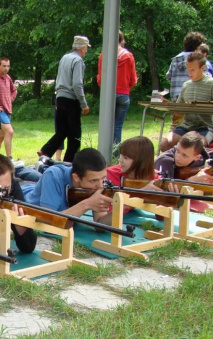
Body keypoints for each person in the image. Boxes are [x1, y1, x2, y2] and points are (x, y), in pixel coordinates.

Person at [158, 52, 213, 152]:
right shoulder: (186, 85)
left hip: (206, 127)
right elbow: (179, 109)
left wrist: (212, 104)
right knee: (164, 144)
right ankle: (173, 165)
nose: (189, 73)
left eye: (193, 70)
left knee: (192, 147)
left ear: (202, 68)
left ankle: (193, 166)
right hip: (186, 126)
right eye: (188, 69)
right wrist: (167, 104)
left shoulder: (212, 83)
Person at [38, 35, 91, 163]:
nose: (87, 51)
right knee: (75, 134)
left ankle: (46, 151)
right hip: (71, 100)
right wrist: (84, 103)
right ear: (83, 48)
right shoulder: (78, 61)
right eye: (86, 48)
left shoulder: (64, 58)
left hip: (60, 97)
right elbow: (77, 84)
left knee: (63, 130)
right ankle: (69, 162)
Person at [23, 148, 113, 223]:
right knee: (25, 175)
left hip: (38, 186)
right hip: (22, 195)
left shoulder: (97, 182)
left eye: (103, 179)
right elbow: (46, 219)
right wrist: (87, 204)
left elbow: (100, 222)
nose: (101, 186)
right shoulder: (53, 175)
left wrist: (120, 208)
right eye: (93, 181)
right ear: (76, 177)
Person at [96, 30, 137, 148]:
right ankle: (115, 154)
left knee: (106, 126)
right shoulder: (128, 56)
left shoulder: (104, 55)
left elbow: (100, 79)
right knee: (117, 126)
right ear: (122, 40)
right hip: (123, 94)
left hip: (108, 95)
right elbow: (133, 79)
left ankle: (103, 151)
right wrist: (126, 88)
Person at [166, 31, 206, 102]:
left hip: (176, 99)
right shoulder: (200, 60)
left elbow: (169, 76)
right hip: (194, 99)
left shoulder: (175, 59)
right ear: (199, 46)